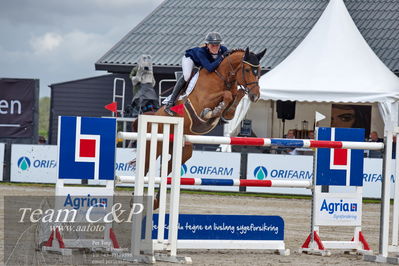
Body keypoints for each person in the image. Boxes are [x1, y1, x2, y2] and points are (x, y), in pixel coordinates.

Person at [164, 32, 228, 115]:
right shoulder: (201, 51)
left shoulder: (224, 49)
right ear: (207, 45)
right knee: (187, 76)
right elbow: (209, 68)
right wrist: (222, 57)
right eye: (212, 45)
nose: (215, 48)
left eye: (217, 45)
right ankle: (170, 102)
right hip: (191, 59)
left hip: (202, 63)